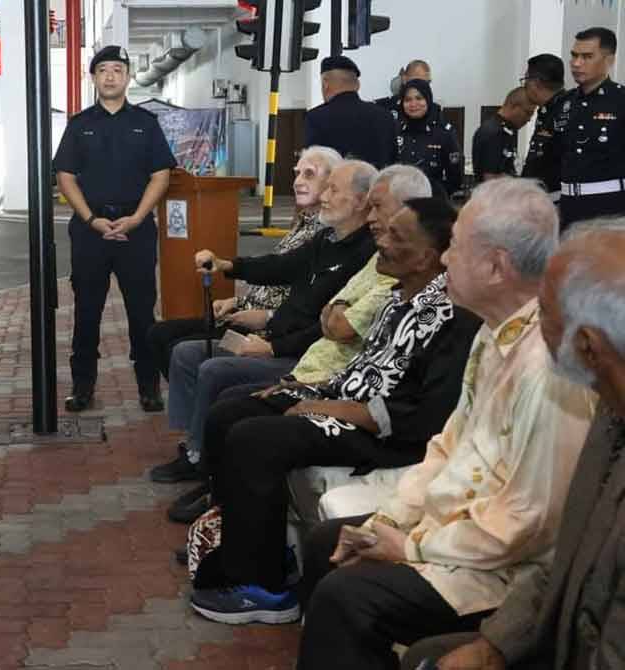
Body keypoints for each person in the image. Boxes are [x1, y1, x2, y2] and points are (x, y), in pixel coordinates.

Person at [288, 178, 596, 668]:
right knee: (327, 542)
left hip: (502, 571)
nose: (445, 259)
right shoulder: (493, 333)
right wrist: (389, 520)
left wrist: (410, 545)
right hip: (454, 534)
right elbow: (448, 447)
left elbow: (527, 524)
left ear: (496, 266)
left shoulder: (548, 368)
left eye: (454, 246)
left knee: (347, 596)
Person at [189, 197, 482, 625]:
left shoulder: (452, 316)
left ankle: (265, 589)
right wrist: (302, 388)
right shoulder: (399, 298)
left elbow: (421, 418)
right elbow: (361, 369)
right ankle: (239, 541)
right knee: (232, 411)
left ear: (430, 257)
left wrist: (327, 406)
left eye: (397, 236)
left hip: (385, 437)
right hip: (349, 405)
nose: (380, 240)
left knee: (256, 438)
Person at [401, 223, 625, 670]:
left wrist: (415, 544)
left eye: (542, 312)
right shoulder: (609, 412)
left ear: (586, 346)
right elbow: (566, 558)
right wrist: (495, 647)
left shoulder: (573, 396)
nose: (530, 328)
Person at [158, 165, 426, 529]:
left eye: (329, 185)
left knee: (221, 385)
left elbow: (338, 327)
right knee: (184, 351)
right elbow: (297, 283)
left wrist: (277, 346)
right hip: (306, 357)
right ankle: (202, 461)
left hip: (309, 362)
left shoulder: (377, 258)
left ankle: (213, 482)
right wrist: (230, 269)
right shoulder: (332, 240)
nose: (319, 193)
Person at [146, 145, 342, 386]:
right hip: (242, 315)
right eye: (297, 173)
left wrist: (266, 316)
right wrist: (236, 300)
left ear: (334, 183)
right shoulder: (305, 222)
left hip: (260, 331)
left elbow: (285, 277)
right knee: (160, 334)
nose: (297, 182)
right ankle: (199, 400)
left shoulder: (329, 232)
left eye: (309, 174)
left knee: (182, 349)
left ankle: (206, 402)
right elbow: (274, 269)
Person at [53, 45, 177, 413]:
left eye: (117, 70)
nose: (110, 76)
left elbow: (161, 174)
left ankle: (149, 387)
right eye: (103, 69)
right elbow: (65, 176)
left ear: (127, 77)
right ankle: (83, 387)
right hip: (90, 230)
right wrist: (92, 219)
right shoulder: (79, 126)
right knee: (86, 311)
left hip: (136, 229)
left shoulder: (146, 123)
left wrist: (137, 217)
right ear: (93, 77)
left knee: (142, 312)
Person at [556, 28, 625, 226]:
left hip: (610, 210)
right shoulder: (565, 102)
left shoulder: (621, 101)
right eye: (574, 56)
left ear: (609, 60)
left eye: (587, 57)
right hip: (568, 208)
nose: (577, 64)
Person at [304, 56, 398, 168]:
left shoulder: (316, 118)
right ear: (358, 85)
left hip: (335, 185)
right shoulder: (384, 116)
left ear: (325, 84)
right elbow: (392, 163)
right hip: (376, 184)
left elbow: (313, 165)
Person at [397, 78, 464, 196]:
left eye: (419, 98)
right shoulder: (395, 130)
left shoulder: (444, 132)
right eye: (408, 100)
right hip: (399, 200)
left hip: (433, 201)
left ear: (428, 99)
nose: (413, 104)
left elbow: (455, 175)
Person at [521, 53, 569, 202]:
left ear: (536, 82)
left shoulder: (567, 111)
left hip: (557, 203)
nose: (524, 85)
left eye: (525, 80)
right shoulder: (547, 111)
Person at [472, 87, 536, 183]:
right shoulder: (495, 133)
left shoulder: (503, 130)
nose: (529, 119)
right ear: (514, 107)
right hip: (494, 196)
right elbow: (491, 179)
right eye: (527, 113)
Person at [376, 59, 440, 125]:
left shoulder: (435, 110)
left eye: (426, 83)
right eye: (416, 82)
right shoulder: (385, 107)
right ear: (404, 79)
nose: (421, 87)